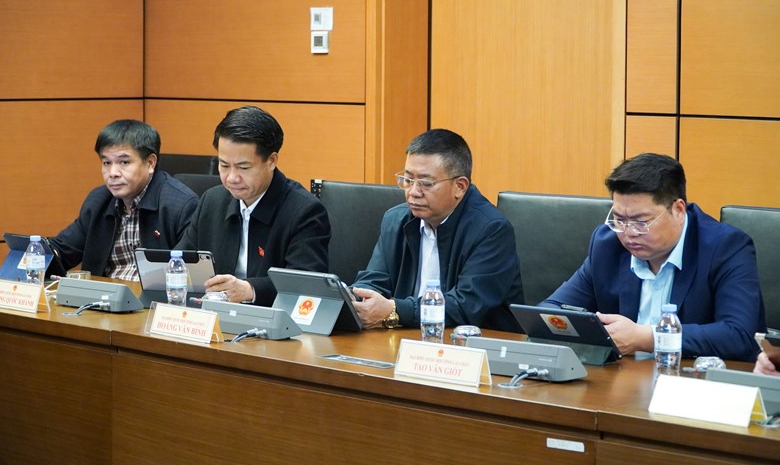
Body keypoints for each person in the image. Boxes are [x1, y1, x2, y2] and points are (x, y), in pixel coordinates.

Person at [542, 153, 765, 361]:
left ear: (678, 210)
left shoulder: (726, 247)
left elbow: (740, 335)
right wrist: (595, 329)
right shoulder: (607, 244)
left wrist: (647, 338)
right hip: (623, 379)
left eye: (641, 222)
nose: (628, 232)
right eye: (619, 219)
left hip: (694, 381)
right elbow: (549, 312)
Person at [351, 128, 524, 331]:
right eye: (408, 180)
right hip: (406, 336)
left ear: (460, 186)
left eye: (426, 183)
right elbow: (374, 280)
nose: (413, 192)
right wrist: (360, 299)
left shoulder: (491, 230)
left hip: (473, 343)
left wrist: (394, 309)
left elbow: (465, 306)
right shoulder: (396, 219)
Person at [175, 105, 330, 306]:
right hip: (214, 315)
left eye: (244, 167)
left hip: (272, 319)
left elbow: (306, 284)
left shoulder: (304, 211)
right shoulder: (211, 201)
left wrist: (250, 290)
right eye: (224, 165)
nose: (232, 178)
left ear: (271, 161)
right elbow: (182, 261)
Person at [48, 119, 198, 281]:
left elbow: (190, 274)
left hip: (153, 296)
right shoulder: (99, 200)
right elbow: (63, 251)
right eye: (106, 163)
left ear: (150, 163)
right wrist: (35, 251)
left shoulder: (180, 205)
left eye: (124, 162)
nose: (113, 173)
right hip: (103, 294)